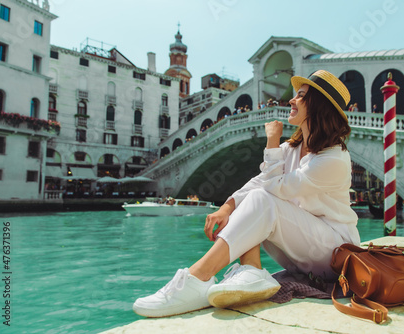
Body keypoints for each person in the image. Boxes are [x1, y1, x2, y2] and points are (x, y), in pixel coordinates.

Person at [132, 70, 360, 318]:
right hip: (307, 250)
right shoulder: (292, 148)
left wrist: (271, 142)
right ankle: (250, 269)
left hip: (336, 255)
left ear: (319, 106)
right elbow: (260, 182)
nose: (292, 100)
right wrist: (226, 208)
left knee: (263, 199)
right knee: (253, 197)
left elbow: (276, 187)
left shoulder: (334, 158)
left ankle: (198, 277)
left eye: (301, 96)